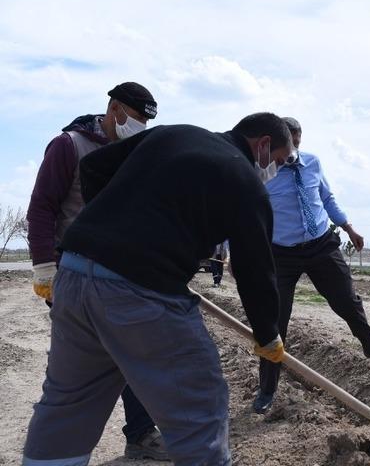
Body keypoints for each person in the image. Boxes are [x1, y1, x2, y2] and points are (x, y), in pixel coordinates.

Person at [22, 112, 294, 465]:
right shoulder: (245, 181)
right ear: (263, 145)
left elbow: (93, 168)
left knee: (70, 401)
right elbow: (255, 269)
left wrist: (111, 228)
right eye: (279, 161)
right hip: (138, 292)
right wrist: (267, 335)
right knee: (199, 399)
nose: (277, 170)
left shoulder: (172, 135)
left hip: (75, 274)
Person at [25, 82, 168, 461]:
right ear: (116, 109)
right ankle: (54, 448)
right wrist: (44, 269)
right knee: (76, 366)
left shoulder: (131, 152)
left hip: (118, 274)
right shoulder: (69, 145)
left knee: (133, 354)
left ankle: (140, 434)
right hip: (71, 274)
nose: (139, 127)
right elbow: (41, 208)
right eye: (136, 118)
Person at [252, 116, 370, 414]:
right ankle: (267, 389)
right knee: (274, 322)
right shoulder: (261, 172)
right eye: (288, 144)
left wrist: (348, 227)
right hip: (281, 253)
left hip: (320, 245)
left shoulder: (313, 163)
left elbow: (326, 197)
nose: (292, 151)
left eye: (297, 143)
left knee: (347, 301)